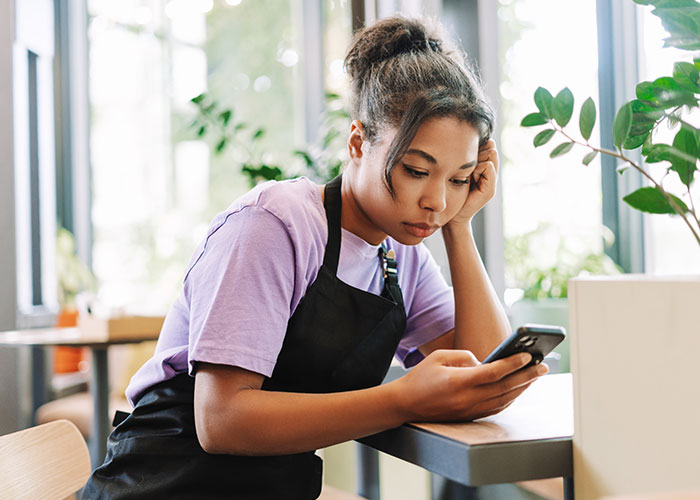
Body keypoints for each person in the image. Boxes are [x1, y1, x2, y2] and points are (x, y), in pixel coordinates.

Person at [82, 15, 547, 500]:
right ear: (357, 141)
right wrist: (400, 398)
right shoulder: (274, 225)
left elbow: (485, 374)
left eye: (457, 179)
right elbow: (220, 421)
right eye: (415, 170)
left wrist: (459, 227)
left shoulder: (399, 257)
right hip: (165, 484)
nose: (436, 201)